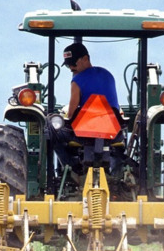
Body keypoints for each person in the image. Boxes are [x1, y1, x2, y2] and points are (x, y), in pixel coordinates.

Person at [52, 43, 122, 174]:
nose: (71, 68)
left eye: (73, 63)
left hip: (84, 136)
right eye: (68, 65)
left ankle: (72, 168)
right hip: (113, 134)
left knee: (51, 132)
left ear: (85, 59)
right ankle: (117, 171)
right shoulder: (108, 75)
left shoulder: (77, 80)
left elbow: (71, 114)